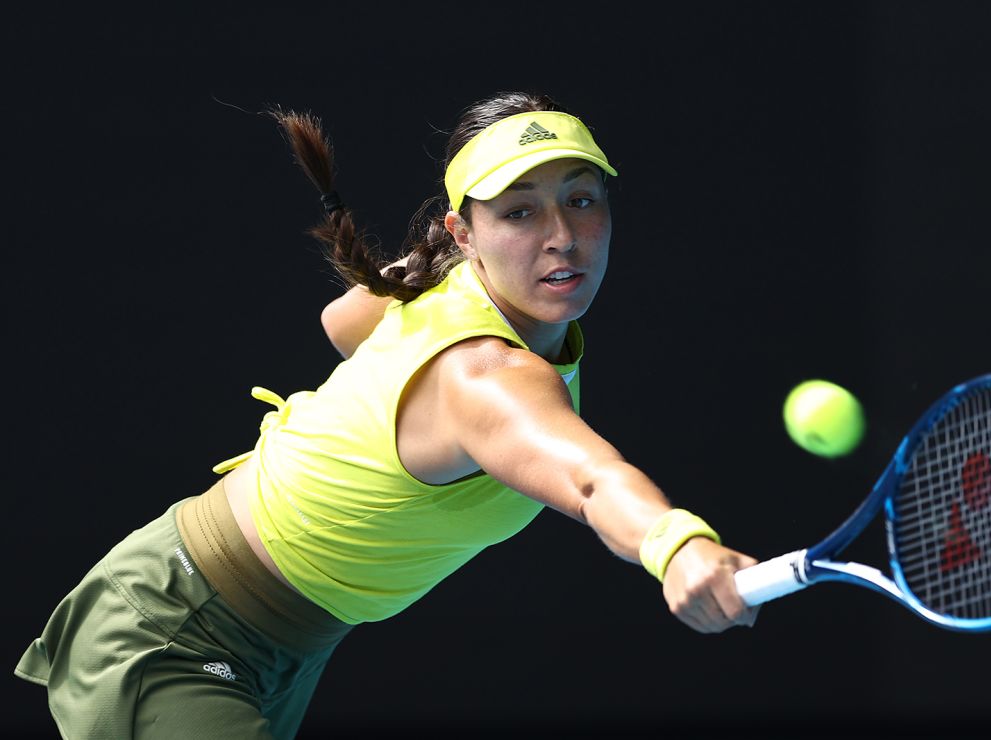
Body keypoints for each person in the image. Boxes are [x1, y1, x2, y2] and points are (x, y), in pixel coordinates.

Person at [15, 91, 759, 739]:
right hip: (174, 625)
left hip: (286, 642)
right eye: (520, 212)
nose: (561, 235)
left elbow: (342, 322)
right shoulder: (487, 375)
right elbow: (593, 480)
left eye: (581, 198)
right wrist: (677, 545)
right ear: (464, 234)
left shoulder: (466, 295)